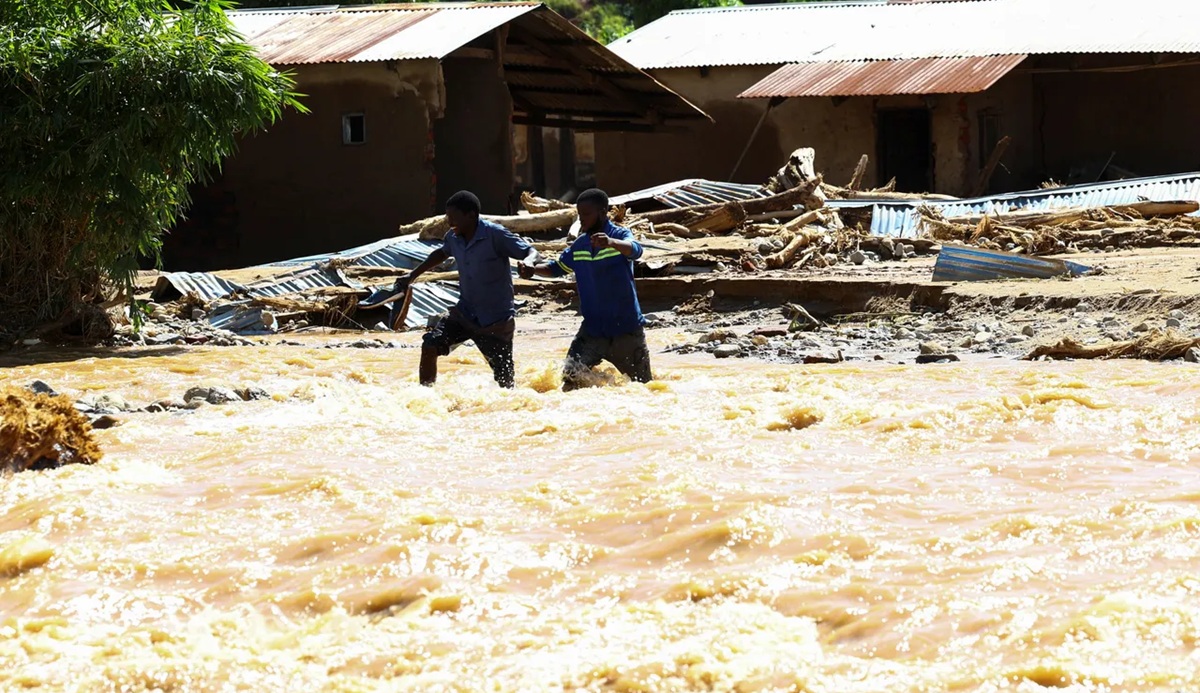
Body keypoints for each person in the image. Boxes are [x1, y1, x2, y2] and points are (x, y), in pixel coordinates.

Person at [397, 191, 538, 388]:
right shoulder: (454, 237)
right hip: (465, 313)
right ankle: (425, 398)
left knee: (505, 382)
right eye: (447, 216)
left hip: (495, 320)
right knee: (430, 345)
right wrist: (412, 275)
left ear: (471, 215)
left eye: (453, 217)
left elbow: (530, 251)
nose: (449, 221)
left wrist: (528, 263)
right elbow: (442, 252)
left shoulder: (495, 234)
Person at [519, 188, 652, 391]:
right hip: (592, 332)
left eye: (586, 215)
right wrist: (532, 270)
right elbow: (556, 268)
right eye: (579, 215)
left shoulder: (619, 235)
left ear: (602, 212)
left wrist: (611, 243)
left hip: (626, 330)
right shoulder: (580, 244)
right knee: (570, 380)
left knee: (645, 389)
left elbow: (636, 250)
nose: (582, 220)